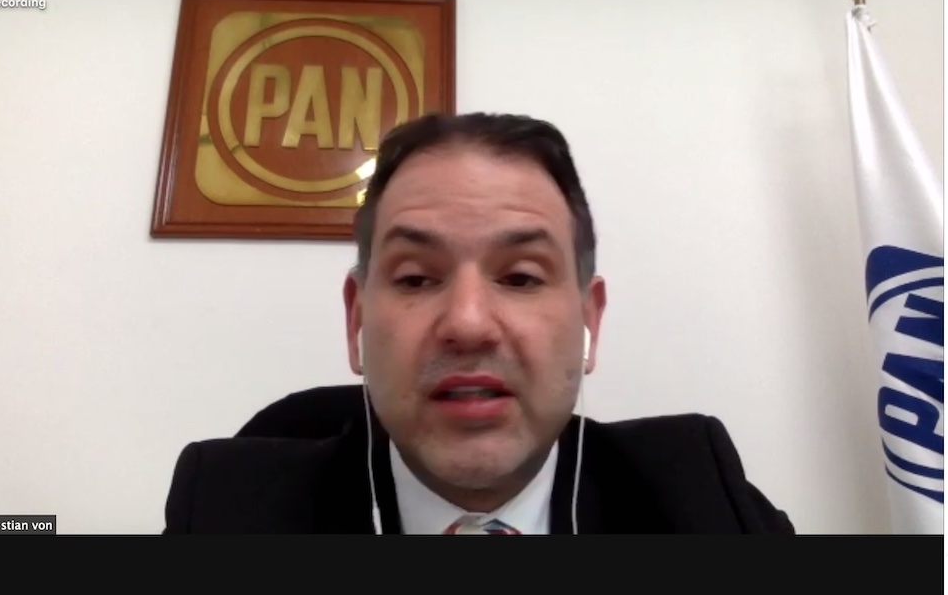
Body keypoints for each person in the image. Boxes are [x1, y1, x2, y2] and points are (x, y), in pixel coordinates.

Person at [163, 112, 796, 534]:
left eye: (520, 277)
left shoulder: (704, 498)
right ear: (356, 320)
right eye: (416, 279)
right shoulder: (223, 510)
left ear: (589, 321)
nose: (467, 325)